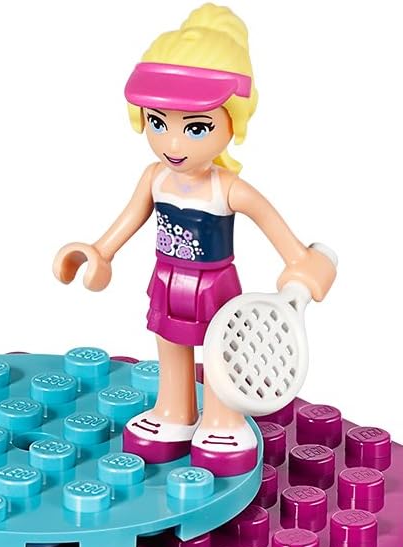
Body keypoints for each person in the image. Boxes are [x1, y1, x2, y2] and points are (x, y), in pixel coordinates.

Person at [52, 3, 336, 475]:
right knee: (169, 344)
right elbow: (128, 220)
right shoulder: (155, 178)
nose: (174, 144)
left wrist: (303, 263)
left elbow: (283, 237)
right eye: (158, 122)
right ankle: (175, 410)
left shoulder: (229, 189)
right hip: (167, 279)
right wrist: (99, 252)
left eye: (196, 127)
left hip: (215, 285)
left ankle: (223, 418)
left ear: (233, 122)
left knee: (222, 351)